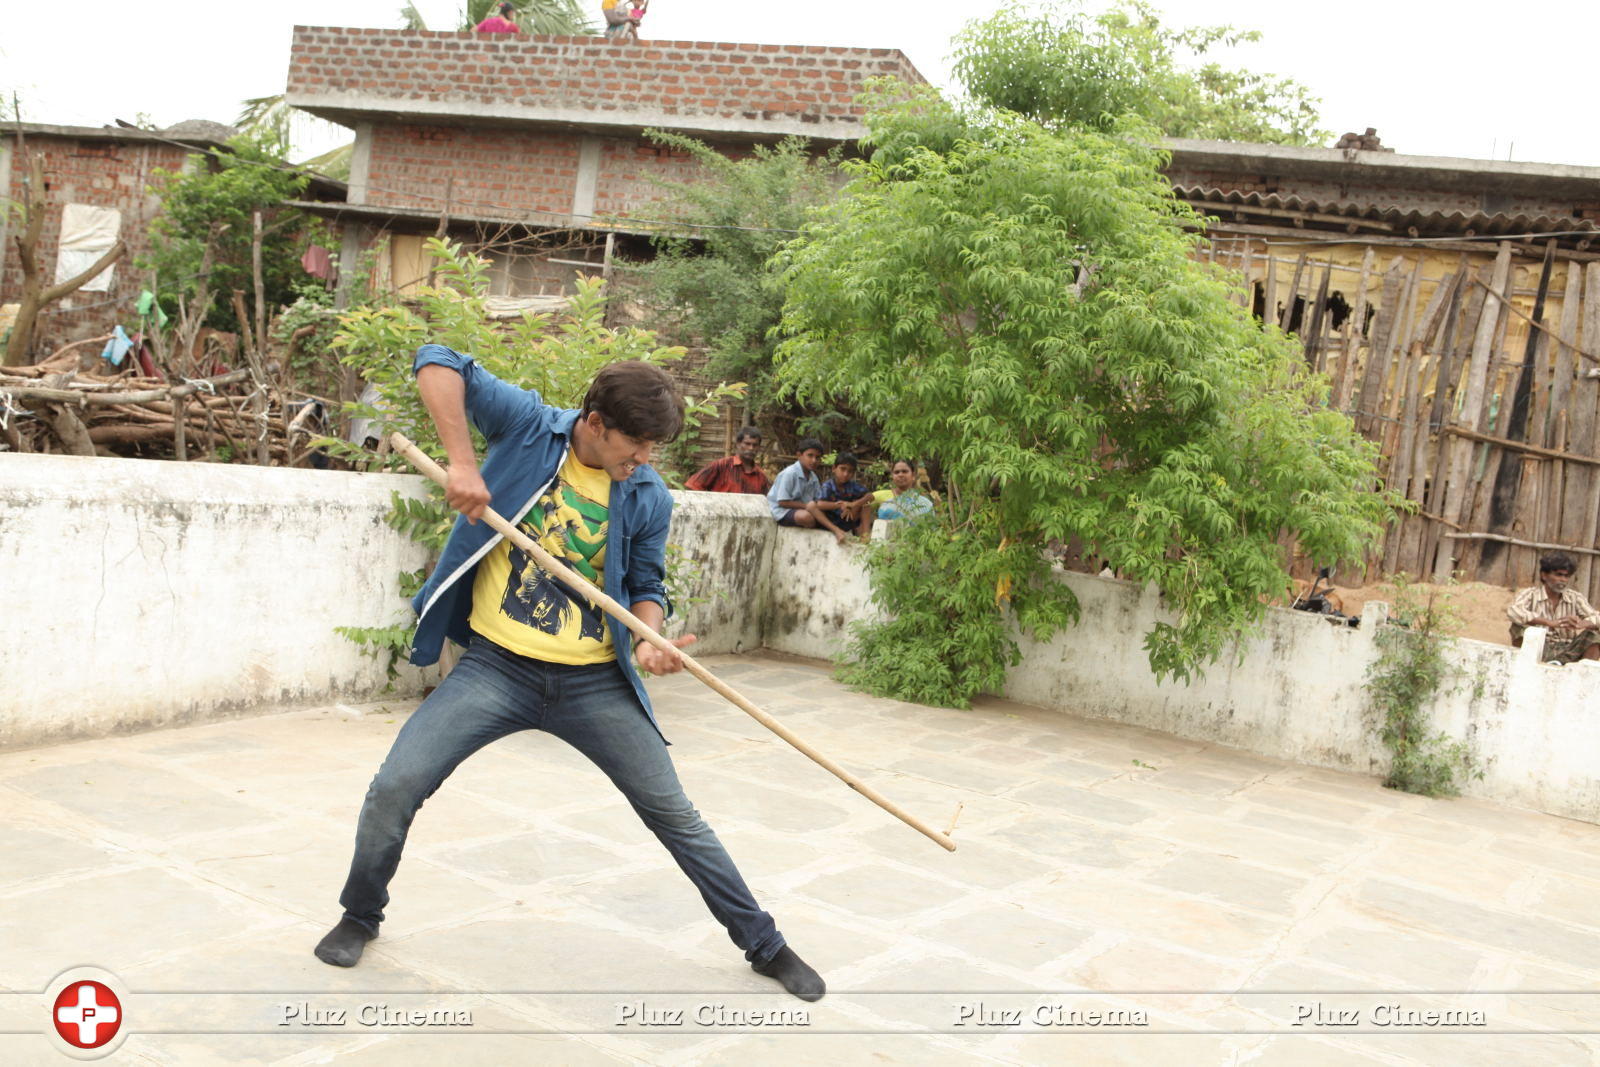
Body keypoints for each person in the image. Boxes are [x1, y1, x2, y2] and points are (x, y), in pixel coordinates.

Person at [313, 347, 824, 1002]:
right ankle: (360, 913)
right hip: (497, 667)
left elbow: (646, 584)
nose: (642, 461)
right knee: (396, 784)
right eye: (633, 446)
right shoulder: (529, 426)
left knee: (675, 812)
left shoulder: (644, 494)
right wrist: (464, 464)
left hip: (593, 682)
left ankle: (764, 942)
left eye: (650, 450)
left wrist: (647, 635)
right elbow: (436, 362)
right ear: (593, 420)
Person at [1507, 552, 1600, 665]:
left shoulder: (1575, 598)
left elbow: (1596, 617)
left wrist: (1581, 623)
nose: (1563, 580)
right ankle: (1525, 665)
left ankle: (1584, 676)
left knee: (1594, 636)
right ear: (1544, 575)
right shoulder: (1530, 594)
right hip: (1538, 648)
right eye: (1558, 575)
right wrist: (1549, 622)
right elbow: (1513, 611)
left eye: (1566, 576)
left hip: (1568, 651)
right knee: (1518, 627)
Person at [767, 438, 850, 545]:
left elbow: (818, 500)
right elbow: (782, 502)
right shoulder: (789, 473)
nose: (814, 460)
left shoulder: (813, 477)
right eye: (810, 455)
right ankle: (835, 529)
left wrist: (837, 505)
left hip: (806, 508)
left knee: (831, 513)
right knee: (807, 517)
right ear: (799, 455)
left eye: (817, 457)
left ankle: (832, 527)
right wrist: (807, 506)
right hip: (783, 511)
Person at [684, 426, 770, 495]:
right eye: (747, 444)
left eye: (755, 445)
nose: (751, 448)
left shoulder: (761, 476)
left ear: (759, 447)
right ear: (738, 444)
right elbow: (692, 485)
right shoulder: (721, 466)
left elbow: (765, 503)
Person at [817, 452, 872, 543]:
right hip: (833, 520)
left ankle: (865, 535)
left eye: (850, 471)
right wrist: (841, 505)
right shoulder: (828, 485)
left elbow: (870, 496)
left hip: (848, 519)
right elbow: (820, 504)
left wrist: (852, 504)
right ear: (834, 468)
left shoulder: (852, 486)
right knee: (813, 506)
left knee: (866, 503)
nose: (846, 474)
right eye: (842, 469)